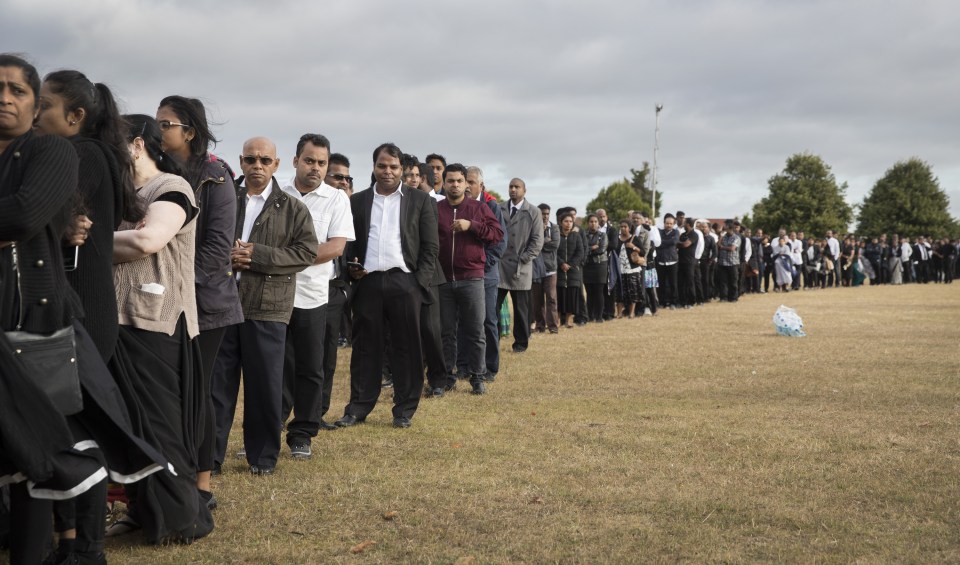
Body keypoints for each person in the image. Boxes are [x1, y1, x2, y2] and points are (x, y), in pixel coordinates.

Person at [0, 55, 165, 564]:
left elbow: (27, 215)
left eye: (23, 93)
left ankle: (81, 548)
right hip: (29, 312)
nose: (5, 98)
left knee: (72, 436)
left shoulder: (62, 152)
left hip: (55, 316)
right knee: (38, 441)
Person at [33, 67, 151, 564]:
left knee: (75, 430)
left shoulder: (78, 154)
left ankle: (82, 545)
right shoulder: (99, 153)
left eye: (43, 106)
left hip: (78, 306)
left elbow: (44, 211)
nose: (35, 115)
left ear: (75, 116)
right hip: (90, 303)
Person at [109, 114, 213, 544]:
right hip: (115, 321)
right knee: (129, 427)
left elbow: (146, 241)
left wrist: (74, 238)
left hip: (157, 324)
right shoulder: (121, 195)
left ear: (136, 145)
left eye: (110, 142)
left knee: (160, 428)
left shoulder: (172, 188)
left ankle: (181, 519)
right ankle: (142, 511)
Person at [210, 137, 318, 476]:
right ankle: (209, 458)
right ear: (241, 162)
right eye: (251, 159)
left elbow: (306, 252)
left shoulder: (291, 206)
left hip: (268, 306)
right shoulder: (223, 197)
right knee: (217, 387)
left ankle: (263, 457)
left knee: (265, 387)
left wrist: (257, 255)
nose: (258, 165)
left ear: (277, 164)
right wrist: (226, 255)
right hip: (222, 303)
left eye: (265, 160)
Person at [155, 94, 242, 503]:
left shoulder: (216, 176)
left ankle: (202, 487)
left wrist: (173, 281)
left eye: (166, 124)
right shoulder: (156, 171)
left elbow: (216, 248)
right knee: (167, 392)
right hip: (160, 300)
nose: (158, 131)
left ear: (189, 131)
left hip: (206, 304)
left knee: (197, 390)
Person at [336, 143, 438, 429]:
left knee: (407, 348)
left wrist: (418, 284)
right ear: (373, 167)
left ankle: (404, 409)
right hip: (368, 282)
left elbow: (431, 248)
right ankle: (358, 407)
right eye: (382, 166)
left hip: (406, 282)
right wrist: (351, 270)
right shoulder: (357, 201)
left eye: (394, 167)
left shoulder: (419, 201)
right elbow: (349, 242)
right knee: (366, 347)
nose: (388, 172)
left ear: (402, 170)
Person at [279, 134, 354, 459]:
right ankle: (268, 428)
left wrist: (283, 257)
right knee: (273, 367)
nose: (316, 168)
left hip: (312, 296)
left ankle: (303, 434)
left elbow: (335, 247)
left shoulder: (336, 199)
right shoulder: (276, 192)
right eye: (310, 161)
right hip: (274, 294)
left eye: (322, 163)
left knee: (311, 367)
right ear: (296, 160)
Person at [435, 163, 503, 395]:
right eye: (450, 181)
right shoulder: (436, 209)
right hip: (443, 279)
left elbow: (497, 235)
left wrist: (471, 226)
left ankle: (477, 376)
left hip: (473, 278)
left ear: (466, 184)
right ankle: (447, 376)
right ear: (443, 183)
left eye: (459, 181)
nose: (454, 185)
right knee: (446, 332)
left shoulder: (479, 208)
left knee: (476, 330)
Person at [463, 166, 508, 381]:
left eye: (472, 182)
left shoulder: (491, 206)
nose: (468, 186)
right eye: (466, 181)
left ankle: (490, 367)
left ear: (481, 185)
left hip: (486, 274)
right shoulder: (459, 205)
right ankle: (464, 365)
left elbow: (500, 241)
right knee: (464, 320)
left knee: (488, 320)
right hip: (463, 275)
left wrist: (482, 264)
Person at [497, 178, 544, 353]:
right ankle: (493, 340)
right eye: (511, 186)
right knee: (492, 308)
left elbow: (537, 241)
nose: (513, 190)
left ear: (525, 190)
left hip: (520, 269)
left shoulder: (533, 212)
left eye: (517, 187)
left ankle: (521, 344)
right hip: (500, 267)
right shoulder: (499, 208)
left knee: (521, 310)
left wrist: (523, 259)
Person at [531, 203, 560, 333]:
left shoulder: (554, 228)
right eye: (543, 213)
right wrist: (544, 239)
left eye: (547, 213)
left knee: (551, 298)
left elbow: (554, 245)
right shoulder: (532, 227)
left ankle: (553, 327)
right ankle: (540, 326)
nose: (545, 216)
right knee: (537, 301)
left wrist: (540, 243)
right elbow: (531, 245)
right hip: (536, 269)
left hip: (550, 269)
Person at [555, 213, 584, 328]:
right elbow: (554, 251)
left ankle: (568, 321)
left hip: (573, 271)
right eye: (566, 221)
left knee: (571, 296)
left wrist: (570, 264)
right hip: (559, 270)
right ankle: (556, 321)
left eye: (570, 221)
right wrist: (561, 263)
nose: (568, 224)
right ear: (561, 222)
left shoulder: (576, 236)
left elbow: (580, 252)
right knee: (559, 295)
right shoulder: (556, 235)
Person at [612, 219, 645, 318]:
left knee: (632, 291)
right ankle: (619, 313)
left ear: (630, 228)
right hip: (619, 269)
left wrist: (633, 247)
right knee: (619, 292)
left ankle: (631, 313)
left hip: (632, 269)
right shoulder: (616, 239)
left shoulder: (635, 239)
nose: (623, 228)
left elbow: (643, 252)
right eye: (621, 226)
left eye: (625, 227)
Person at [582, 213, 608, 322]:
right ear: (588, 223)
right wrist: (592, 247)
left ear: (598, 223)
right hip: (587, 265)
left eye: (595, 222)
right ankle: (590, 316)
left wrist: (589, 249)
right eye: (591, 222)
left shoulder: (603, 235)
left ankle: (599, 316)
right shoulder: (583, 235)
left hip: (600, 265)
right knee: (589, 291)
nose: (593, 224)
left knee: (599, 291)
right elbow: (582, 249)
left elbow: (601, 250)